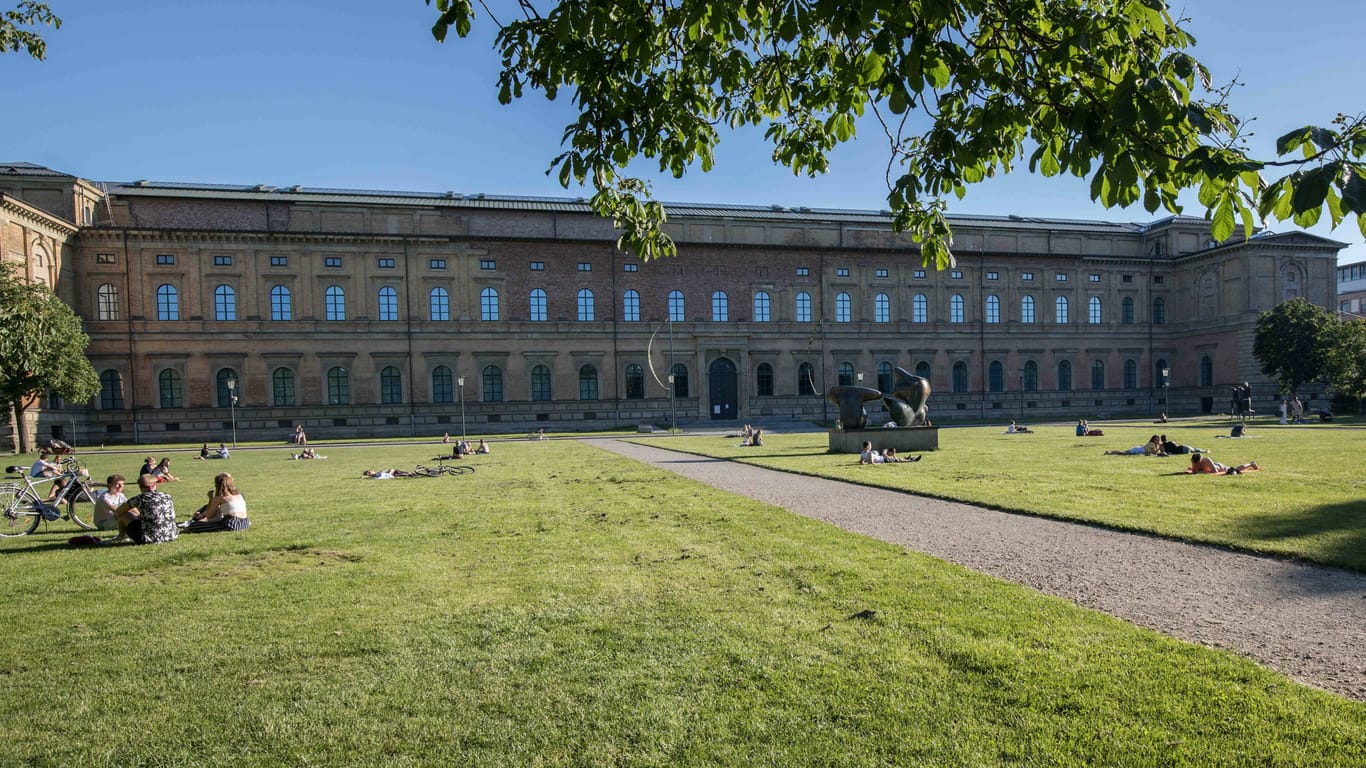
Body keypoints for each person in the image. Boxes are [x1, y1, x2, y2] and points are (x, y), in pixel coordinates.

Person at [113, 474, 178, 544]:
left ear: (140, 487)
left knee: (125, 515)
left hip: (149, 538)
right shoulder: (167, 496)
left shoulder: (139, 499)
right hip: (171, 535)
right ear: (155, 485)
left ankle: (121, 537)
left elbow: (118, 512)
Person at [184, 472, 250, 533]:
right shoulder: (239, 494)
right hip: (245, 523)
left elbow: (209, 516)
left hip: (231, 523)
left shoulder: (220, 497)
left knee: (193, 526)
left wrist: (210, 499)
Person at [1189, 454, 1260, 475]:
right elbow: (1194, 472)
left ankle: (1251, 464)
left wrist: (1201, 472)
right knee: (1236, 468)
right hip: (1214, 466)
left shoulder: (1207, 460)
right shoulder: (1194, 461)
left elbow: (1215, 471)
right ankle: (1251, 464)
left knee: (1236, 469)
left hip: (1221, 467)